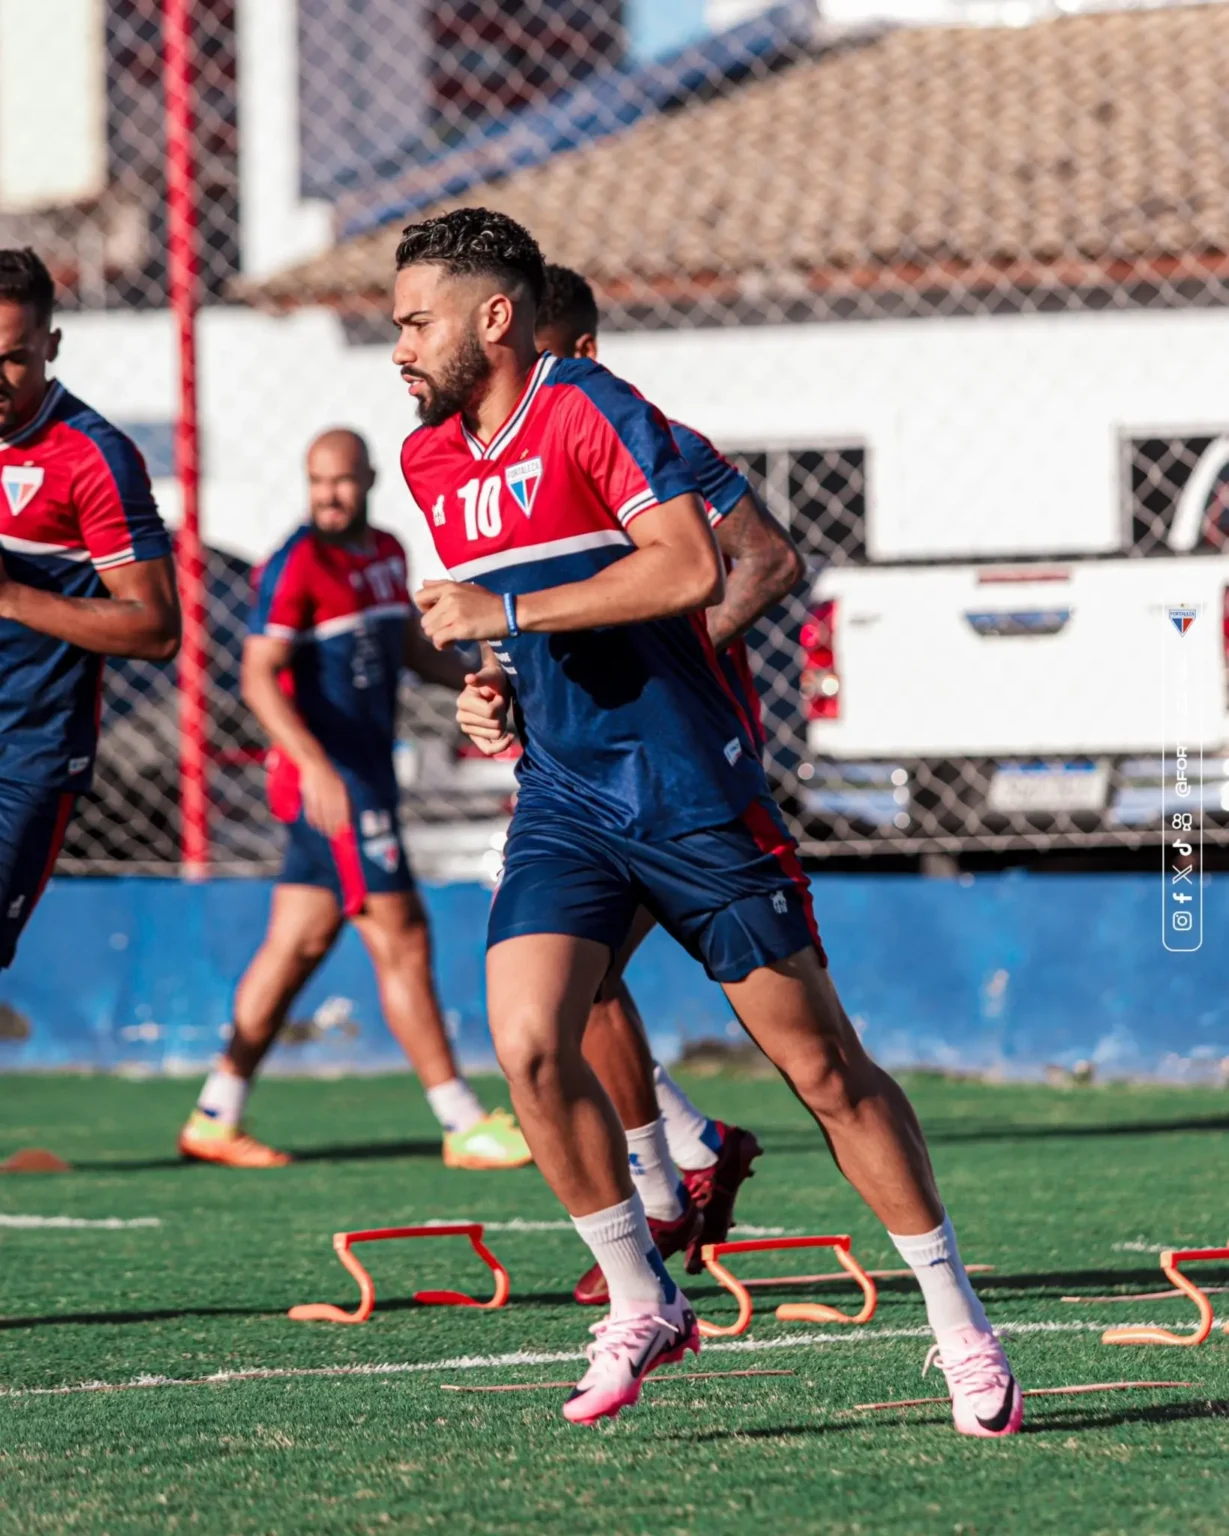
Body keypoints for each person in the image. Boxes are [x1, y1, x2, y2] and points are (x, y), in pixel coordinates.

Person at [396, 207, 1020, 1435]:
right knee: (529, 1043)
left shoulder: (591, 409)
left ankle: (958, 1324)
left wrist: (505, 624)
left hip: (687, 794)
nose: (398, 346)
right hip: (563, 799)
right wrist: (493, 691)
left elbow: (690, 568)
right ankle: (643, 1298)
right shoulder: (429, 461)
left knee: (823, 1071)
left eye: (415, 321)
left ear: (494, 318)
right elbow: (514, 616)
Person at [534, 263, 805, 1305]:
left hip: (684, 766)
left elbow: (769, 561)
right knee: (569, 982)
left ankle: (675, 1173)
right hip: (587, 768)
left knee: (805, 1046)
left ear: (582, 356)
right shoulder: (519, 473)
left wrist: (676, 659)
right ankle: (682, 1158)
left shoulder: (659, 445)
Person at [178, 428, 531, 1173]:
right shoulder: (295, 562)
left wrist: (480, 677)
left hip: (366, 777)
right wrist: (314, 768)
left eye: (340, 481)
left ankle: (216, 1112)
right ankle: (461, 1120)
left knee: (297, 944)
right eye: (316, 483)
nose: (328, 496)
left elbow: (404, 646)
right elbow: (255, 675)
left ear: (368, 479)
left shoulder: (387, 551)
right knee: (401, 937)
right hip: (333, 788)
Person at [0, 248, 179, 967]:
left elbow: (154, 627)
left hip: (22, 753)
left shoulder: (92, 458)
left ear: (50, 345)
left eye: (12, 358)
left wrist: (10, 596)